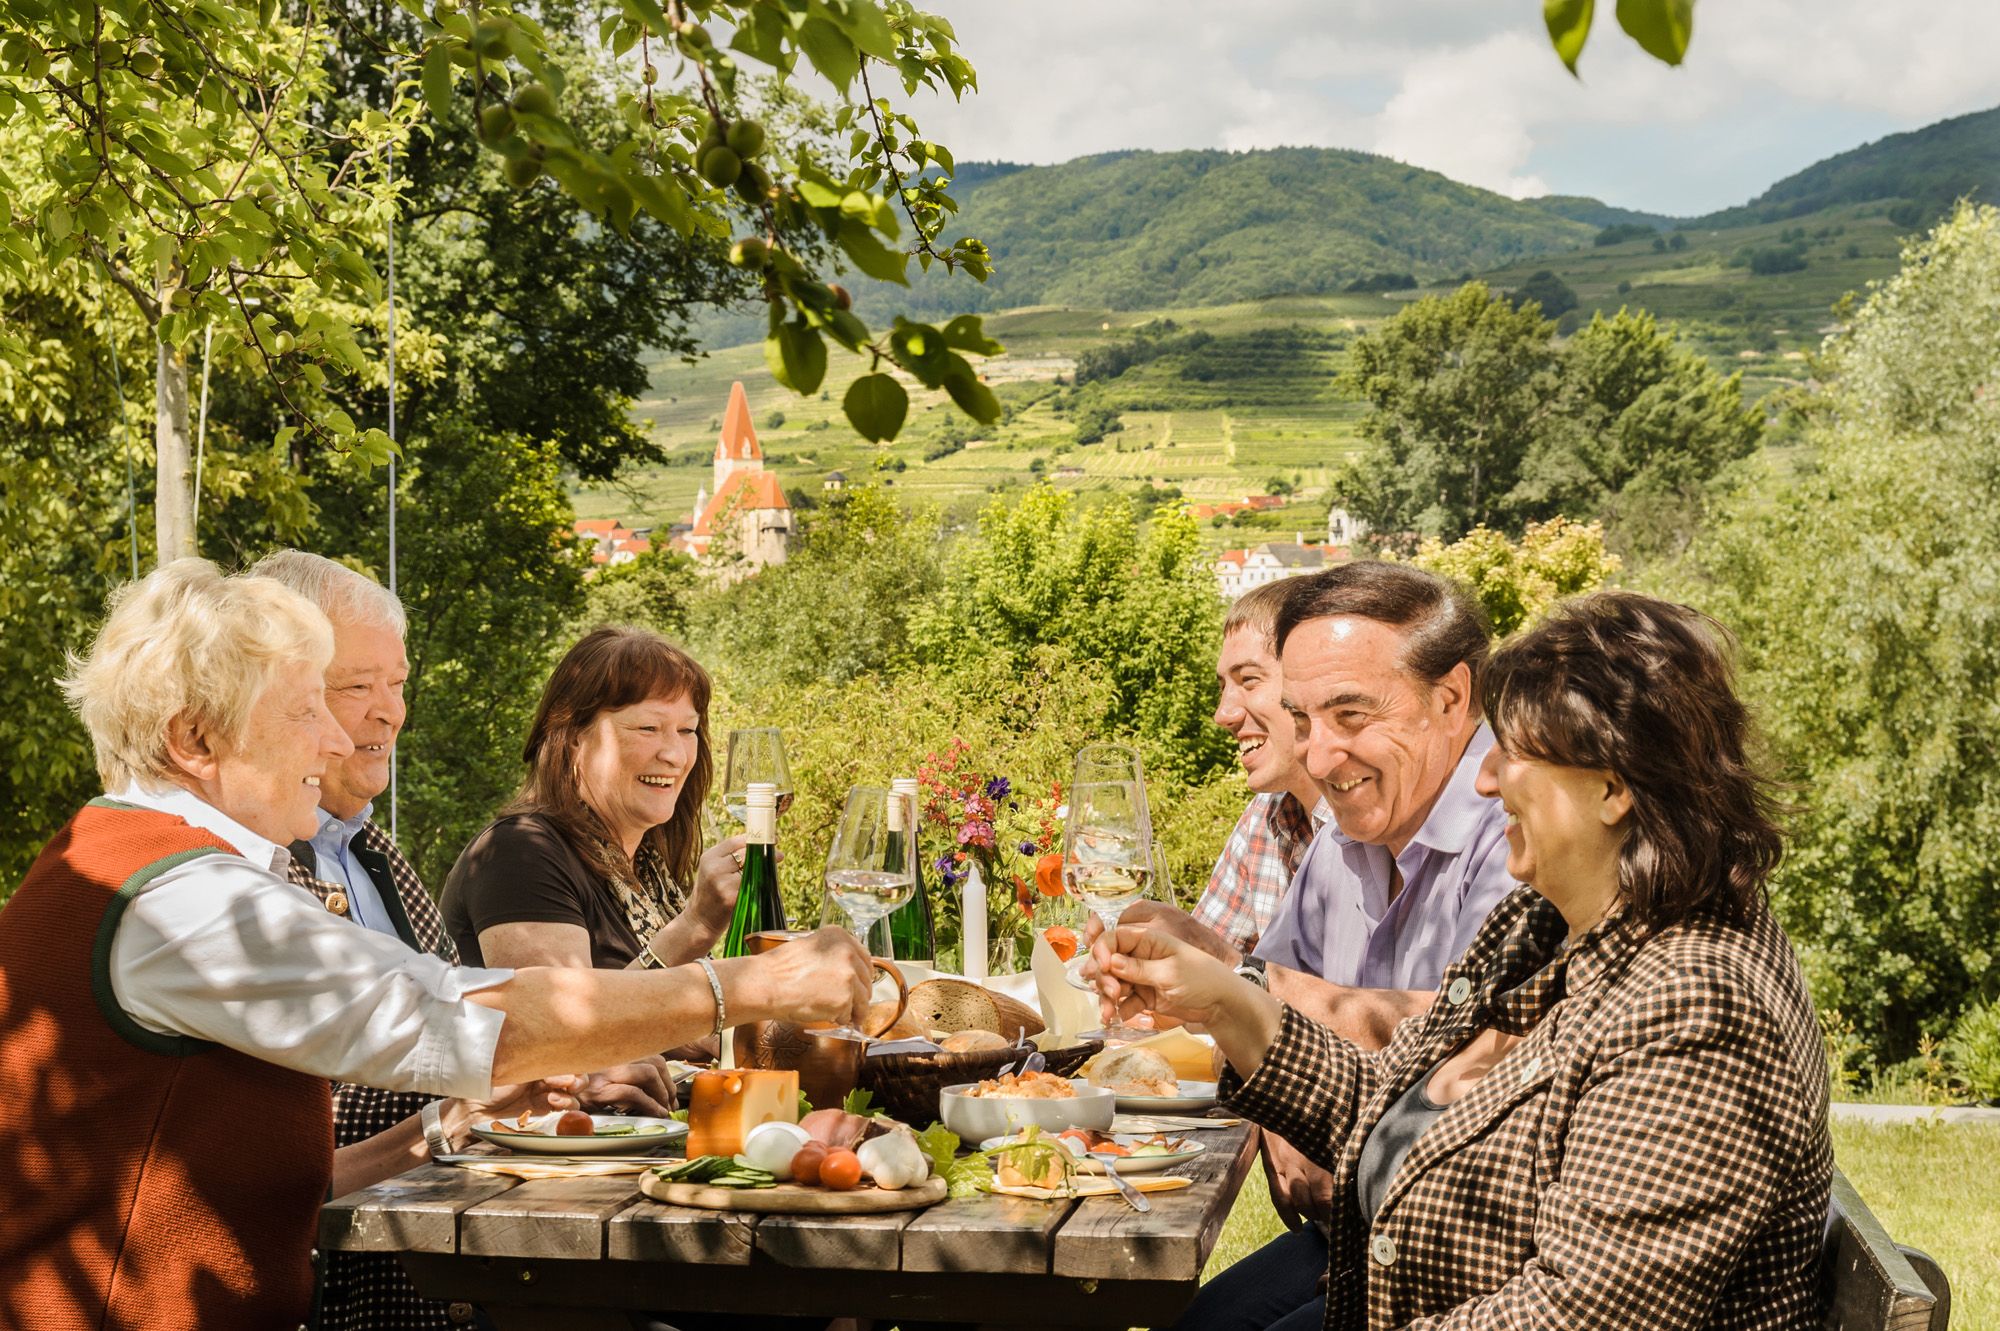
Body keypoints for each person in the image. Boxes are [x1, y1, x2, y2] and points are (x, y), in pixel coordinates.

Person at [0, 560, 872, 1331]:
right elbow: (485, 1018)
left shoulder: (144, 865)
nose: (340, 741)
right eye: (308, 710)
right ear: (194, 739)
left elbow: (289, 1183)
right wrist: (755, 981)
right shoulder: (183, 901)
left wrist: (446, 1125)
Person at [1104, 592, 1831, 1331]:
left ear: (1613, 787)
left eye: (1512, 754)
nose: (1484, 781)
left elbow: (1575, 1314)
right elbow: (1389, 1102)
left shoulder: (1697, 1006)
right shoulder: (1548, 926)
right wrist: (1226, 1000)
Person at [253, 550, 673, 1331]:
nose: (389, 712)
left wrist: (522, 1083)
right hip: (365, 1286)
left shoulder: (372, 854)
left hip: (452, 1247)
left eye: (399, 684)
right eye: (355, 687)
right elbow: (293, 1151)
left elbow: (466, 1052)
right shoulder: (247, 877)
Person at [1091, 561, 1519, 1304]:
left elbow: (1479, 1050)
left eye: (1350, 716)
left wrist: (1232, 976)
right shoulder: (1345, 831)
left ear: (1452, 698)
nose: (1318, 757)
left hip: (1473, 1251)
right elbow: (1276, 1023)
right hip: (1358, 1228)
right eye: (1303, 718)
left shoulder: (1527, 829)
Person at [442, 627, 746, 988]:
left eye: (686, 730)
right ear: (572, 737)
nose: (675, 756)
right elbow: (566, 1032)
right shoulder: (519, 854)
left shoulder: (649, 872)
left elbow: (680, 1027)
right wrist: (697, 926)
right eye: (648, 728)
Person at [1192, 578, 1328, 958]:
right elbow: (1208, 962)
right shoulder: (1265, 817)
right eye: (1223, 686)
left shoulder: (1376, 827)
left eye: (1248, 680)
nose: (1223, 714)